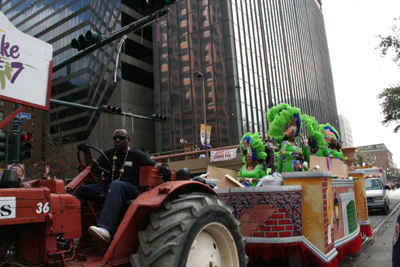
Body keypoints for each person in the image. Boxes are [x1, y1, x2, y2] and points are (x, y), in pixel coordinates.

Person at [75, 129, 171, 245]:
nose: (118, 140)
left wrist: (164, 166)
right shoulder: (109, 154)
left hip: (131, 189)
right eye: (115, 138)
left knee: (116, 184)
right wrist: (86, 152)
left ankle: (106, 228)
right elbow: (93, 168)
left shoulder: (137, 155)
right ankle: (77, 231)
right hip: (109, 186)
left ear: (128, 140)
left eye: (121, 138)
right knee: (80, 190)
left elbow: (154, 164)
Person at [267, 103, 303, 172]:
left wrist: (300, 156)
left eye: (293, 133)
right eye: (291, 133)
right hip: (283, 157)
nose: (293, 134)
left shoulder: (295, 143)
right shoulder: (281, 139)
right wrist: (280, 146)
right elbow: (277, 145)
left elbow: (300, 152)